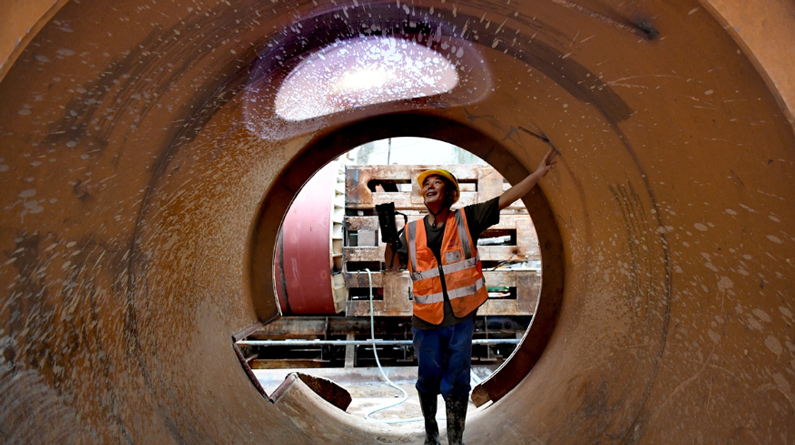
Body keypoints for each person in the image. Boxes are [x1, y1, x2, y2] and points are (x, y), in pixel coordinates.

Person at [384, 149, 558, 445]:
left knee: (457, 382)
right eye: (427, 184)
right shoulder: (410, 231)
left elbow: (507, 198)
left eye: (436, 183)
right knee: (427, 380)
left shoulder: (468, 218)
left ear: (451, 194)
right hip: (425, 320)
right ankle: (431, 436)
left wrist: (538, 174)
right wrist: (389, 238)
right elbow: (391, 268)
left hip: (460, 319)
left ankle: (455, 440)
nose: (429, 186)